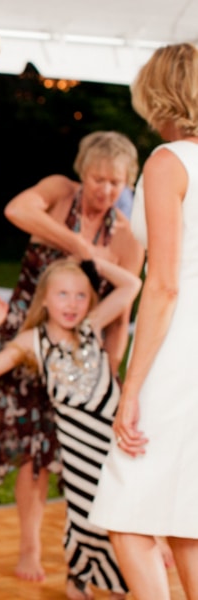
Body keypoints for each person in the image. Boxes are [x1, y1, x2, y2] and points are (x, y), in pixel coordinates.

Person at [0, 130, 145, 582]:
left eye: (116, 182)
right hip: (28, 343)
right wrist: (79, 246)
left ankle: (113, 542)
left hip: (83, 359)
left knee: (90, 452)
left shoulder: (128, 238)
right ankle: (30, 547)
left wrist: (111, 372)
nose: (105, 190)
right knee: (34, 447)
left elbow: (121, 315)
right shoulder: (59, 194)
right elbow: (17, 210)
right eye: (98, 179)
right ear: (83, 172)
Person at [90, 42, 198, 599]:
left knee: (128, 508)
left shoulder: (167, 161)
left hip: (179, 348)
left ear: (158, 93)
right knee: (186, 514)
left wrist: (130, 389)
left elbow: (165, 283)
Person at [0, 257, 141, 600]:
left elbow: (132, 285)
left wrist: (94, 262)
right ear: (45, 299)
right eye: (62, 294)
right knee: (86, 514)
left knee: (124, 508)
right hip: (78, 444)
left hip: (113, 437)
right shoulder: (33, 341)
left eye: (81, 295)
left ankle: (119, 580)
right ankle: (80, 576)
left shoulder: (91, 326)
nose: (72, 303)